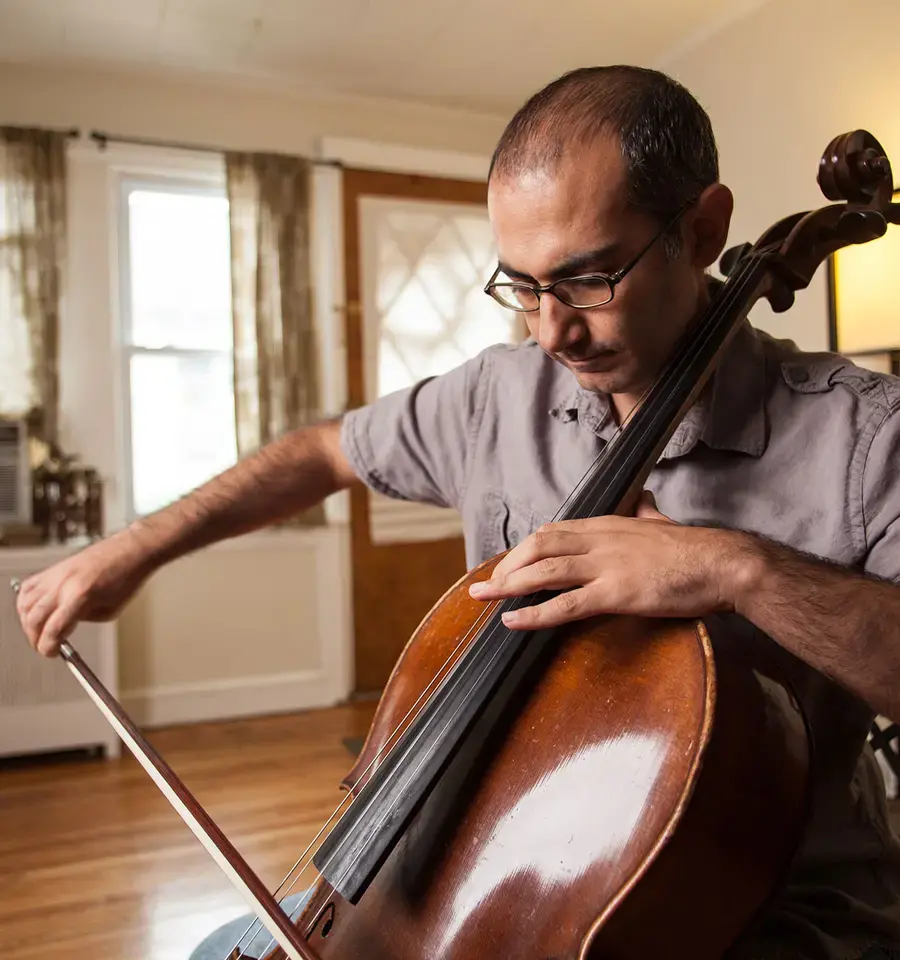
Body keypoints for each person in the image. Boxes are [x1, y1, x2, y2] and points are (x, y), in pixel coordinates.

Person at [14, 65, 900, 960]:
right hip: (491, 874)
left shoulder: (864, 437)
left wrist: (738, 568)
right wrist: (129, 550)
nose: (549, 332)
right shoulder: (496, 396)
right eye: (521, 285)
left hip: (763, 913)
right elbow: (323, 452)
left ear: (703, 229)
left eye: (589, 279)